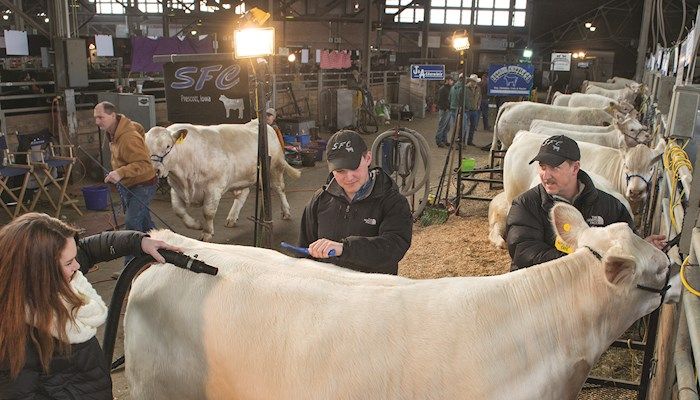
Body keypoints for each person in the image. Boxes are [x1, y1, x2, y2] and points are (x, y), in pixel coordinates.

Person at [0, 212, 181, 399]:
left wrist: (139, 242)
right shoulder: (16, 331)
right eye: (69, 262)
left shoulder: (52, 280)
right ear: (40, 269)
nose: (77, 266)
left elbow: (89, 248)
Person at [505, 135, 666, 270]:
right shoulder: (525, 205)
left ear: (575, 168)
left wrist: (640, 246)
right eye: (542, 167)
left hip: (590, 294)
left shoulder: (611, 206)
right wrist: (588, 260)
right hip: (542, 292)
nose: (545, 176)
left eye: (554, 168)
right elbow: (524, 252)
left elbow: (625, 243)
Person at [298, 130, 412, 275]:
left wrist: (344, 249)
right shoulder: (319, 200)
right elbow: (304, 251)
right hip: (330, 290)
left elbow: (394, 248)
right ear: (330, 168)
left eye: (354, 167)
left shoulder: (393, 202)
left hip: (373, 290)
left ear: (368, 158)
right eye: (340, 171)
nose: (349, 177)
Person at [94, 101, 158, 276]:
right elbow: (138, 128)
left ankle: (130, 269)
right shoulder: (114, 131)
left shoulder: (127, 136)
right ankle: (163, 253)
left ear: (113, 115)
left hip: (143, 184)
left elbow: (145, 164)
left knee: (131, 224)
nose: (97, 121)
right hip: (129, 184)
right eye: (95, 118)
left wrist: (120, 172)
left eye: (101, 117)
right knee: (146, 225)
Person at [434, 75, 454, 148]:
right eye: (451, 80)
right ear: (447, 80)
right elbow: (440, 100)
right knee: (442, 125)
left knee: (447, 126)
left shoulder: (449, 88)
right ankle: (439, 141)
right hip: (444, 110)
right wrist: (445, 107)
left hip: (448, 109)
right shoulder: (443, 89)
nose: (452, 82)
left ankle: (444, 140)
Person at [464, 74, 482, 146]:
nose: (474, 83)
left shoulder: (478, 88)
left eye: (475, 81)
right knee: (465, 126)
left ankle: (469, 141)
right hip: (467, 110)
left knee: (473, 126)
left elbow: (480, 97)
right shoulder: (465, 88)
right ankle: (463, 141)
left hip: (475, 110)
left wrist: (478, 105)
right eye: (473, 81)